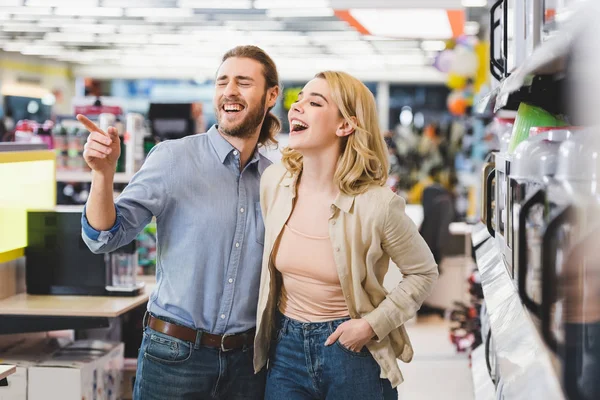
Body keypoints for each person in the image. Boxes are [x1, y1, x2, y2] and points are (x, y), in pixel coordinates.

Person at [79, 45, 280, 400]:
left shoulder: (275, 180)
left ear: (271, 95)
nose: (229, 91)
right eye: (222, 82)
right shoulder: (174, 158)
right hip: (174, 357)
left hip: (247, 365)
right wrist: (103, 175)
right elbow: (104, 237)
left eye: (244, 82)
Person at [253, 71, 439, 400]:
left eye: (314, 102)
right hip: (285, 348)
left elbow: (423, 272)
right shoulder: (275, 182)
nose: (296, 107)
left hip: (351, 351)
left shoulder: (378, 205)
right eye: (298, 100)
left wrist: (372, 325)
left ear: (345, 126)